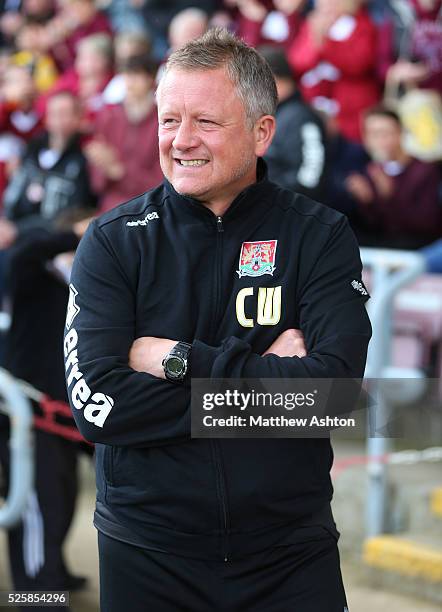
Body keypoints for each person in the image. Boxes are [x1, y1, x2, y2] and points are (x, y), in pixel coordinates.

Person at [64, 28, 371, 611]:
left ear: (262, 132)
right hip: (147, 554)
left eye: (205, 122)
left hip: (290, 554)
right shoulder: (112, 242)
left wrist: (180, 360)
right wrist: (268, 380)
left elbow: (331, 397)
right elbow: (99, 406)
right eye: (167, 120)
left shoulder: (320, 235)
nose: (181, 141)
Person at [1, 89, 94, 249]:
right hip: (10, 230)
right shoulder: (31, 149)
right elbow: (13, 195)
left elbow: (68, 215)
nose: (58, 120)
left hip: (46, 240)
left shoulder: (83, 158)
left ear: (79, 118)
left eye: (64, 113)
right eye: (53, 113)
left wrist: (17, 230)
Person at [346, 105, 442, 248]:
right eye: (374, 134)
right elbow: (372, 228)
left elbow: (426, 224)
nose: (381, 140)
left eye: (386, 133)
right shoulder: (368, 172)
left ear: (400, 133)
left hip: (421, 248)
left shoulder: (425, 170)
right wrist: (367, 202)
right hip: (382, 250)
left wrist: (390, 195)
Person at [85, 54, 163, 213]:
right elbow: (96, 182)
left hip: (150, 208)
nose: (130, 81)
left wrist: (121, 172)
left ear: (151, 80)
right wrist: (103, 168)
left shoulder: (161, 121)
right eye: (127, 75)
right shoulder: (108, 117)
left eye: (137, 75)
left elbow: (162, 182)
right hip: (110, 207)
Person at [260, 45, 327, 200]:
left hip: (292, 214)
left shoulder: (301, 118)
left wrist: (273, 199)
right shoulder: (274, 115)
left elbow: (310, 178)